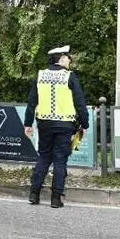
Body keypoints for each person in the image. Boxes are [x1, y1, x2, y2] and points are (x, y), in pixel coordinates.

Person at [25, 44, 89, 208]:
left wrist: (28, 123)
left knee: (44, 157)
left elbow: (32, 102)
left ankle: (34, 194)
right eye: (68, 57)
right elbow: (80, 103)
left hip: (45, 124)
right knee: (60, 161)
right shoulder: (70, 77)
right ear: (61, 58)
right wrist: (85, 123)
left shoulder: (40, 76)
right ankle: (55, 199)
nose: (70, 60)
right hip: (65, 125)